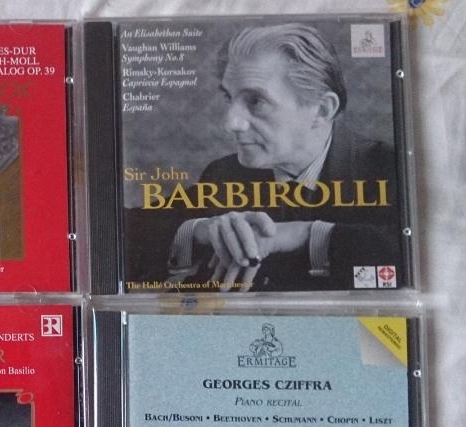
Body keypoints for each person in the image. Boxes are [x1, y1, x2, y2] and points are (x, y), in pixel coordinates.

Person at [133, 23, 400, 292]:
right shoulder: (225, 174)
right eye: (229, 98)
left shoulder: (391, 169)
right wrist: (202, 230)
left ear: (321, 109)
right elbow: (121, 232)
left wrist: (307, 234)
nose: (230, 123)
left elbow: (412, 258)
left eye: (256, 101)